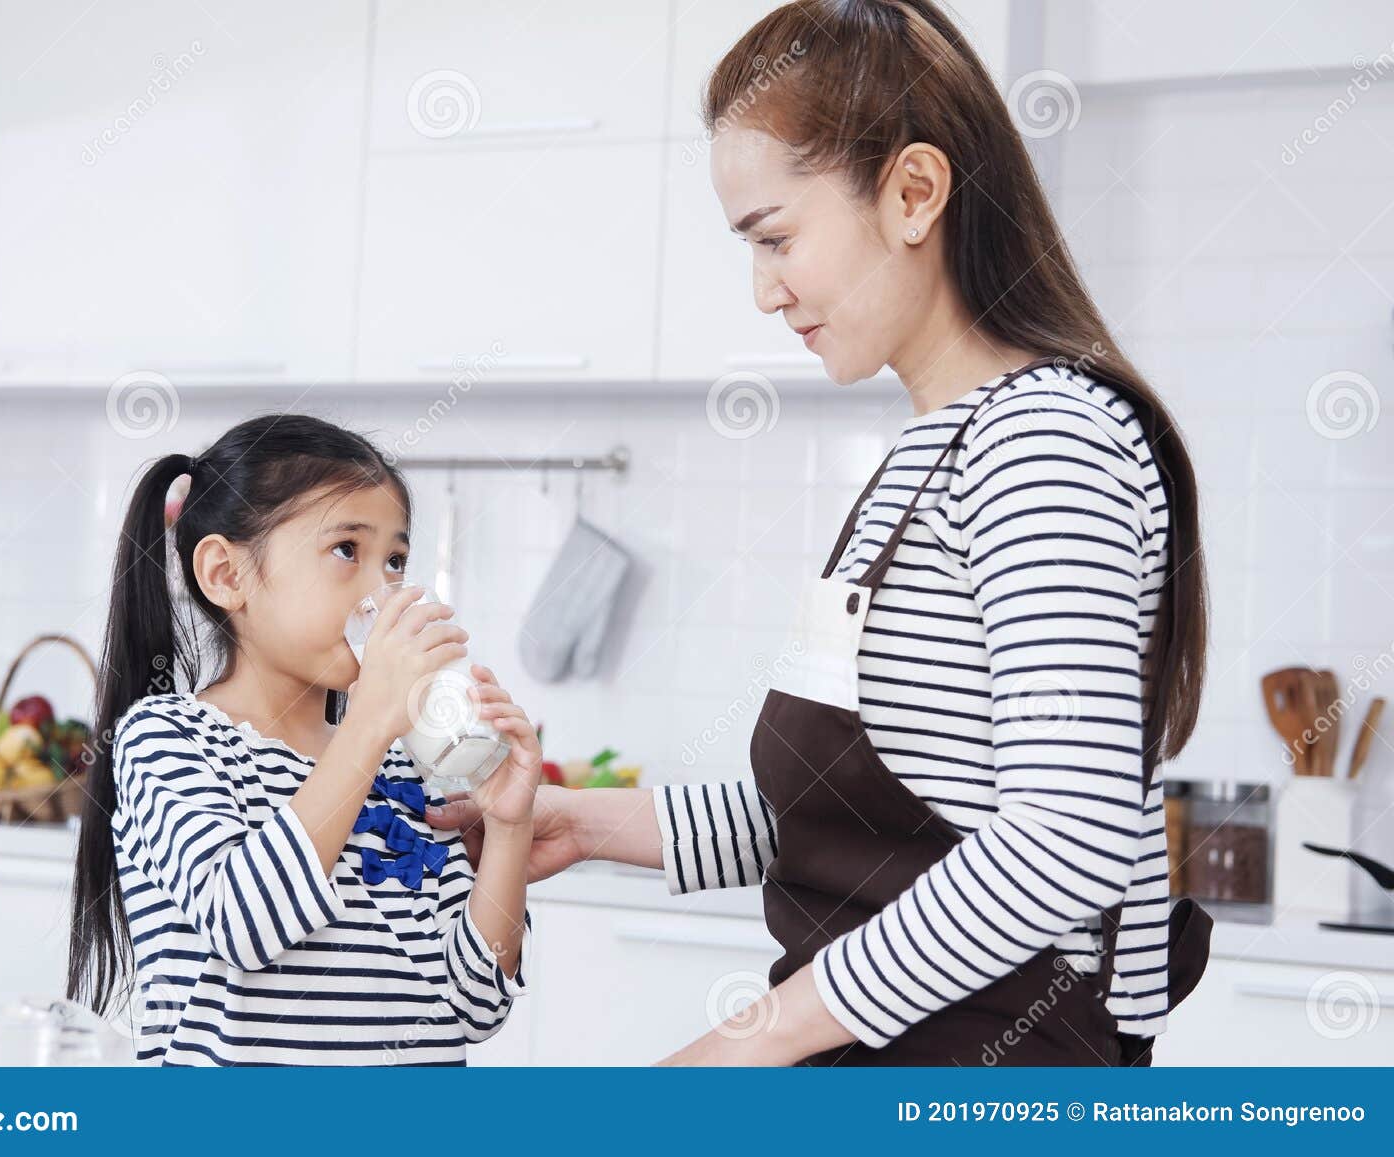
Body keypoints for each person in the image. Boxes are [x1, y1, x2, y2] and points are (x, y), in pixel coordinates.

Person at [430, 0, 1210, 1066]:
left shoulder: (1043, 440)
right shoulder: (921, 457)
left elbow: (1060, 841)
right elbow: (845, 806)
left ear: (914, 192)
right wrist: (585, 822)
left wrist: (752, 1040)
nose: (764, 290)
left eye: (777, 237)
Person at [66, 414, 541, 1065]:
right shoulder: (167, 740)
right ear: (227, 575)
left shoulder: (405, 769)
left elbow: (475, 1003)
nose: (383, 591)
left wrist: (511, 829)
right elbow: (243, 921)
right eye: (348, 550)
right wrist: (372, 722)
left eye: (395, 561)